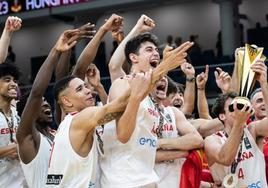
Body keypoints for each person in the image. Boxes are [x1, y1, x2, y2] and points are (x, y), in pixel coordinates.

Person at [100, 16, 193, 186]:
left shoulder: (152, 99)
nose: (156, 53)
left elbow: (145, 147)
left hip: (147, 177)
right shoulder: (123, 83)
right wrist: (138, 29)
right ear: (134, 58)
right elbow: (123, 136)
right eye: (149, 50)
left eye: (156, 50)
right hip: (124, 180)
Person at [46, 67, 153, 187]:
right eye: (79, 89)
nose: (88, 91)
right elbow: (117, 107)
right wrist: (144, 82)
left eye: (86, 86)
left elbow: (111, 113)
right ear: (66, 101)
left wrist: (99, 87)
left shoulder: (68, 124)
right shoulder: (79, 119)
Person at [16, 28, 84, 188]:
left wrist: (67, 50)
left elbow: (62, 82)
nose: (45, 103)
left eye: (47, 101)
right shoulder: (27, 137)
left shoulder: (56, 134)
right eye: (41, 103)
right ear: (29, 111)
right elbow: (36, 93)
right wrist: (55, 51)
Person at [205, 60, 268, 187]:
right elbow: (226, 159)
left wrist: (263, 83)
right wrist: (239, 123)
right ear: (222, 116)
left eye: (240, 105)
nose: (239, 109)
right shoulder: (212, 140)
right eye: (233, 107)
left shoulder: (252, 130)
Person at [151, 76, 203, 187]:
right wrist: (182, 152)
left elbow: (197, 140)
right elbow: (145, 154)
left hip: (178, 180)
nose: (177, 97)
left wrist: (160, 143)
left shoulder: (173, 112)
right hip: (152, 181)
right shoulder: (141, 112)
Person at [0, 63, 27, 187]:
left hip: (23, 181)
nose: (14, 84)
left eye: (15, 80)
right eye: (7, 80)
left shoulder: (18, 113)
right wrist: (11, 149)